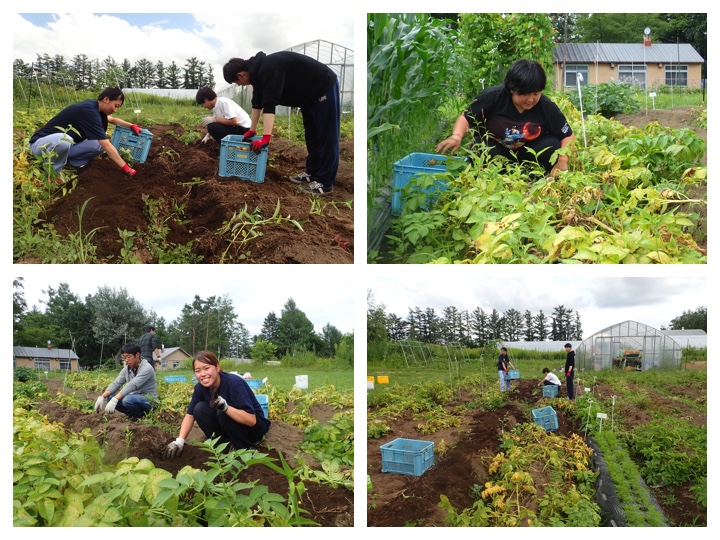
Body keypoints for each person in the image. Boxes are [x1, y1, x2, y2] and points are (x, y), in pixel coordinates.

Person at [222, 51, 340, 195]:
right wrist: (252, 130)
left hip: (322, 87)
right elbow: (257, 104)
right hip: (307, 98)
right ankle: (313, 173)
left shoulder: (268, 69)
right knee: (312, 136)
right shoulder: (256, 76)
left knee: (326, 136)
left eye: (237, 82)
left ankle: (325, 182)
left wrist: (266, 137)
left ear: (241, 75)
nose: (239, 85)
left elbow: (270, 104)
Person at [436, 59, 576, 176]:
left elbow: (567, 135)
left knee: (552, 144)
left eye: (536, 93)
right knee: (482, 145)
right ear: (511, 89)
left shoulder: (546, 107)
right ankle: (493, 177)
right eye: (525, 94)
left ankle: (534, 178)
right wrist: (456, 136)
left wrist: (563, 160)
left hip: (528, 155)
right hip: (497, 151)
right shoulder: (492, 97)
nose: (531, 99)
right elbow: (466, 117)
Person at [163, 350, 270, 459]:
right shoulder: (200, 388)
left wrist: (226, 408)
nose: (203, 374)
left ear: (217, 367)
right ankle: (225, 449)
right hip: (229, 427)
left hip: (254, 429)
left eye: (206, 368)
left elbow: (252, 420)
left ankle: (245, 449)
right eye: (198, 371)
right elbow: (190, 415)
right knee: (199, 409)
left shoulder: (234, 384)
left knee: (222, 412)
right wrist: (180, 441)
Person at [29, 86, 141, 179]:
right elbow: (106, 145)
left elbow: (112, 120)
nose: (115, 110)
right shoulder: (88, 110)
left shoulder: (98, 109)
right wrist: (125, 167)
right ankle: (53, 173)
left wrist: (131, 125)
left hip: (60, 148)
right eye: (115, 105)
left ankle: (68, 162)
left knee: (97, 145)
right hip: (41, 146)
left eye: (118, 107)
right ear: (106, 99)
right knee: (65, 139)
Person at [94, 343, 158, 419]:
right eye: (124, 357)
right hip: (134, 397)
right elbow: (116, 383)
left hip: (148, 400)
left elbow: (133, 385)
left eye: (129, 357)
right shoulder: (127, 369)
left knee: (127, 400)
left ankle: (141, 416)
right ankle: (133, 415)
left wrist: (116, 399)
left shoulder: (146, 368)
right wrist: (102, 397)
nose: (126, 360)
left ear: (137, 355)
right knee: (110, 397)